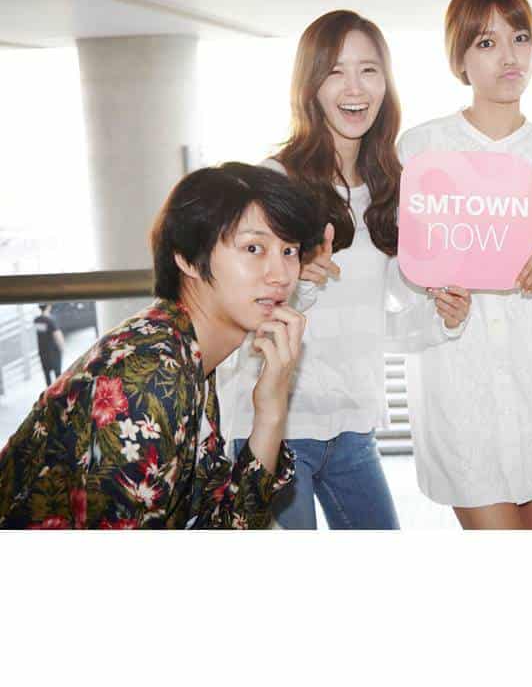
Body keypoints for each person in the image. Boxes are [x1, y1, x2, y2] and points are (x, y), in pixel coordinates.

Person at [218, 10, 469, 530]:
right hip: (275, 424)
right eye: (336, 71)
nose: (355, 88)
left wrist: (443, 316)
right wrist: (299, 277)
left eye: (369, 70)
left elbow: (386, 320)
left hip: (353, 426)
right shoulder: (275, 181)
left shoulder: (389, 187)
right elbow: (240, 312)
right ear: (310, 85)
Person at [0, 162, 325, 529]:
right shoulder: (149, 376)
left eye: (289, 251)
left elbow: (229, 522)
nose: (280, 275)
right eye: (254, 248)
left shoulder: (187, 351)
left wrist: (271, 410)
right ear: (187, 258)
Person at [397, 0, 532, 530]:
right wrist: (440, 307)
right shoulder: (421, 150)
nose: (510, 56)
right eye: (486, 42)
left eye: (520, 38)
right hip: (463, 391)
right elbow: (401, 282)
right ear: (459, 59)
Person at [33, 303, 65, 387]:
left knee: (47, 375)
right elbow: (57, 335)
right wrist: (62, 348)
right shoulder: (51, 320)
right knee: (58, 374)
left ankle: (49, 391)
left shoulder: (36, 320)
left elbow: (41, 333)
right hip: (53, 352)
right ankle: (58, 390)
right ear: (49, 306)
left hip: (43, 352)